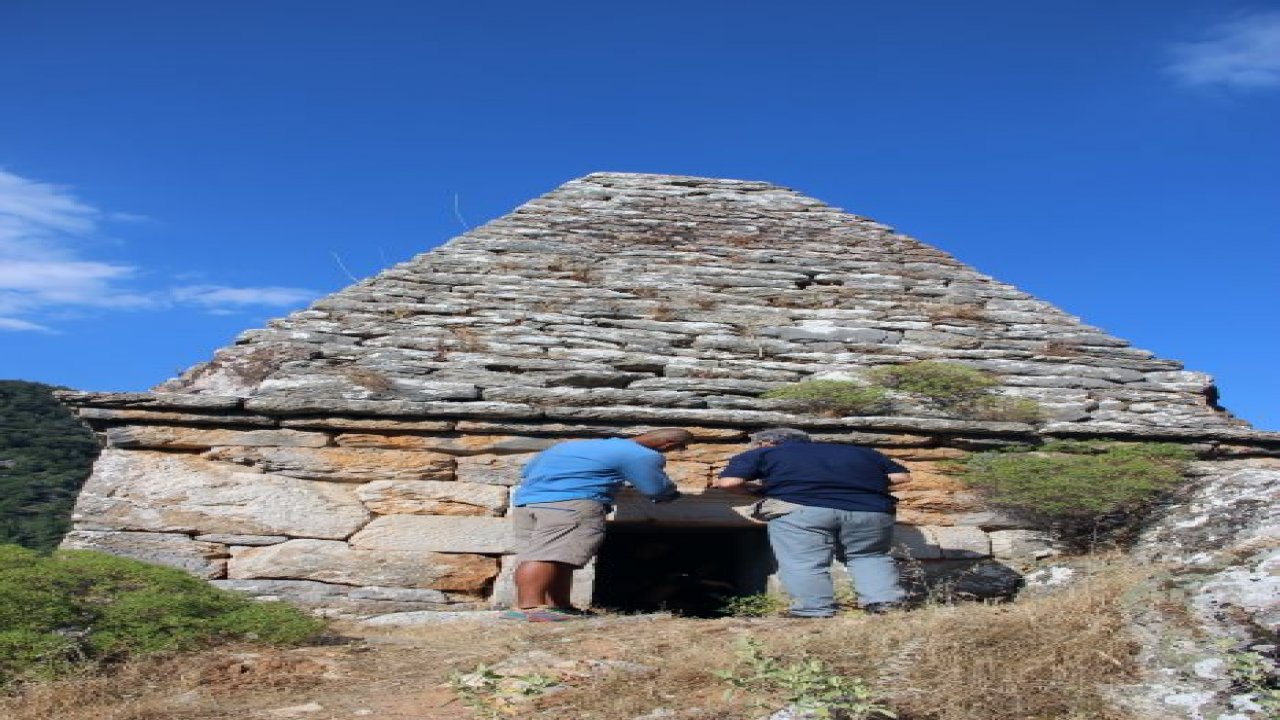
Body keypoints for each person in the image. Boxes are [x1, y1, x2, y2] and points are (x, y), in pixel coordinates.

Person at [714, 427, 910, 617]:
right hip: (869, 510)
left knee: (803, 562)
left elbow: (729, 482)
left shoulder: (765, 452)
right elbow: (901, 477)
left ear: (767, 442)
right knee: (869, 556)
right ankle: (886, 605)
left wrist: (755, 491)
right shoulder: (860, 452)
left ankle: (814, 610)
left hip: (801, 508)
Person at [502, 428, 691, 622]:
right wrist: (673, 496)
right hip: (572, 505)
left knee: (558, 556)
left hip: (527, 503)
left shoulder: (574, 446)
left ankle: (559, 606)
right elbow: (656, 488)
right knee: (546, 556)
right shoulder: (642, 454)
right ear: (668, 443)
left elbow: (527, 471)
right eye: (679, 448)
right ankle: (530, 608)